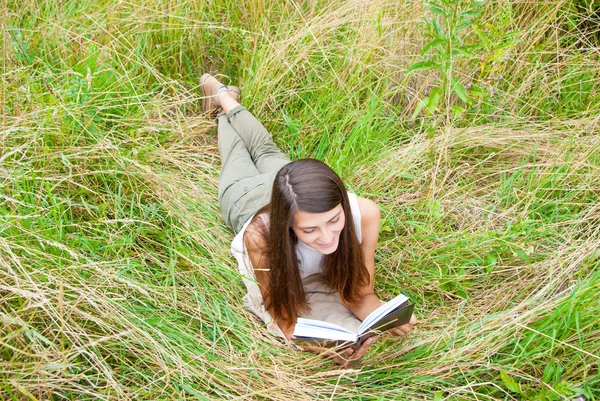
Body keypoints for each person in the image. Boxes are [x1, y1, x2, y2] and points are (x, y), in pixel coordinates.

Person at [201, 73, 417, 366]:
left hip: (290, 184)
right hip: (245, 197)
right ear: (288, 225)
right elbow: (280, 314)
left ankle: (227, 98)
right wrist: (322, 348)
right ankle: (223, 101)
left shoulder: (364, 214)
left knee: (264, 147)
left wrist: (383, 317)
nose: (327, 237)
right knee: (234, 151)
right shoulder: (261, 237)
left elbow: (360, 293)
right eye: (310, 229)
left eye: (334, 220)